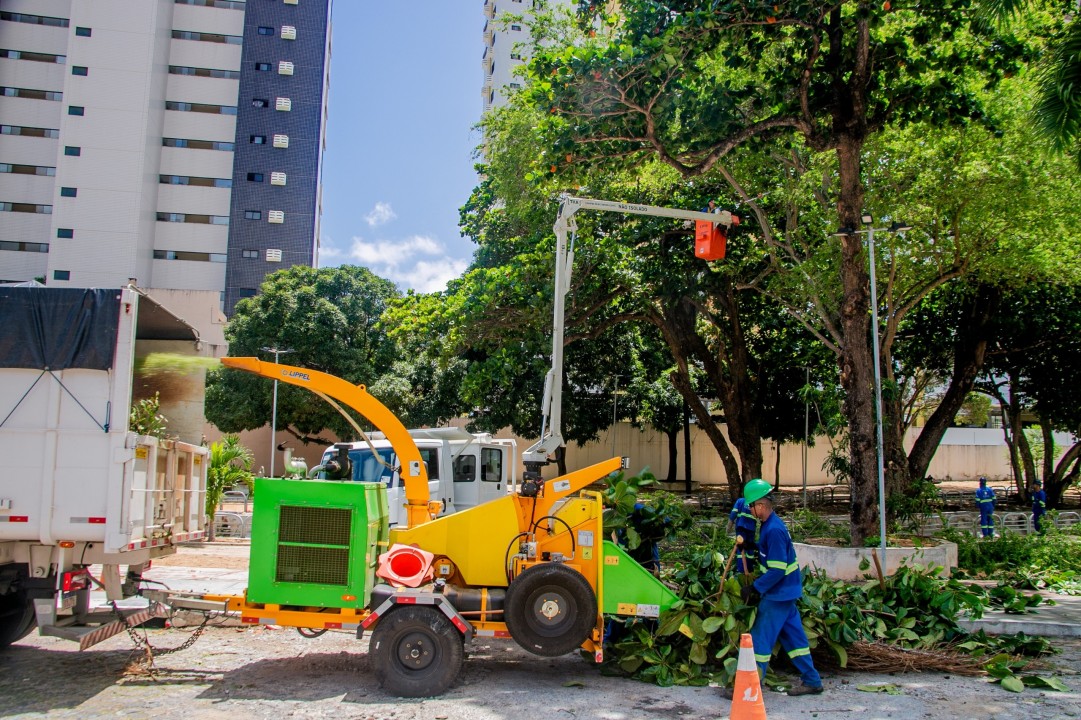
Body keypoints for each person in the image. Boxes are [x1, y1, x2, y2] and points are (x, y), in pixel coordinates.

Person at [720, 479, 823, 699]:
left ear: (761, 505)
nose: (749, 509)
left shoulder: (773, 530)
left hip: (777, 594)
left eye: (751, 506)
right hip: (787, 592)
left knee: (760, 639)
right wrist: (752, 547)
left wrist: (755, 588)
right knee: (795, 640)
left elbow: (777, 570)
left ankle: (749, 686)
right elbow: (773, 555)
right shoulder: (770, 526)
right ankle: (813, 681)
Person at [728, 492, 758, 572]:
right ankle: (749, 569)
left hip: (741, 528)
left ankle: (741, 570)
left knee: (741, 549)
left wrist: (728, 529)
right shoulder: (755, 503)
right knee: (750, 548)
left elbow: (732, 515)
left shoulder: (740, 501)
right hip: (751, 529)